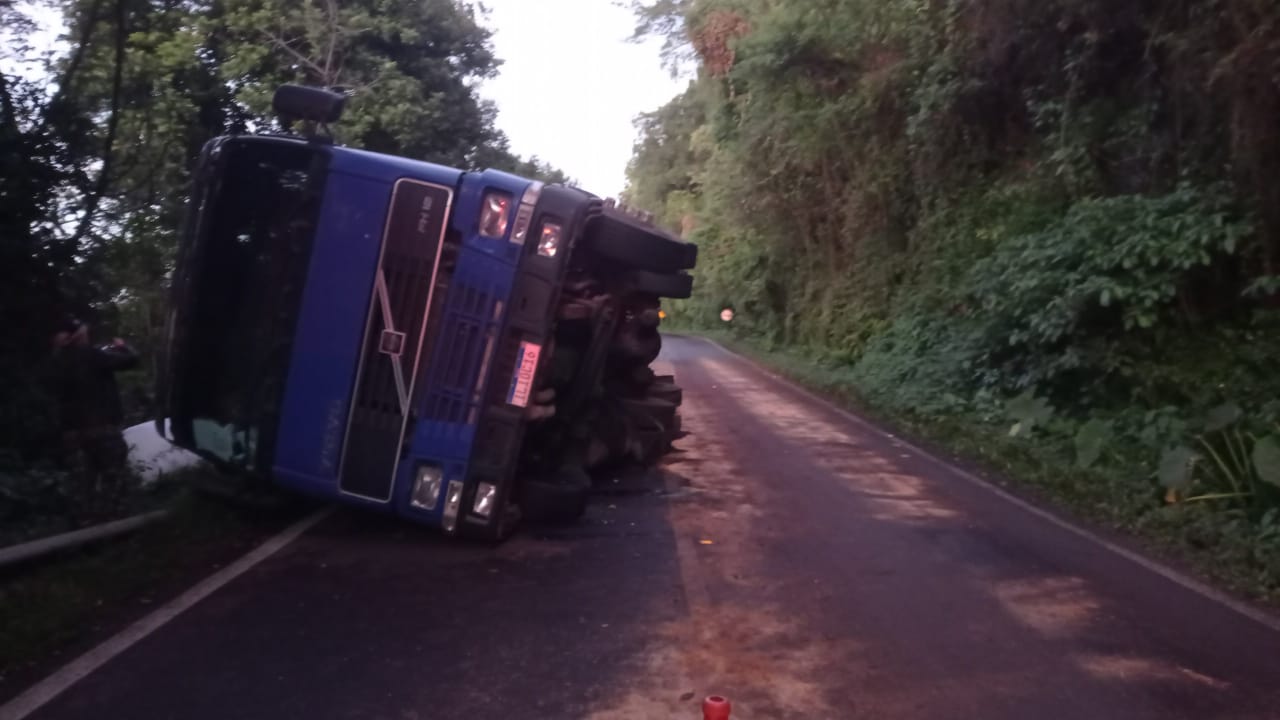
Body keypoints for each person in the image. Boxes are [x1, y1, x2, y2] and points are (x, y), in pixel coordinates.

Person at [50, 316, 140, 522]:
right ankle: (116, 528)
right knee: (113, 482)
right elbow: (132, 360)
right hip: (103, 431)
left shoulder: (58, 361)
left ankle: (84, 529)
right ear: (80, 334)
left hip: (72, 436)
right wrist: (122, 346)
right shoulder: (92, 355)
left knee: (82, 487)